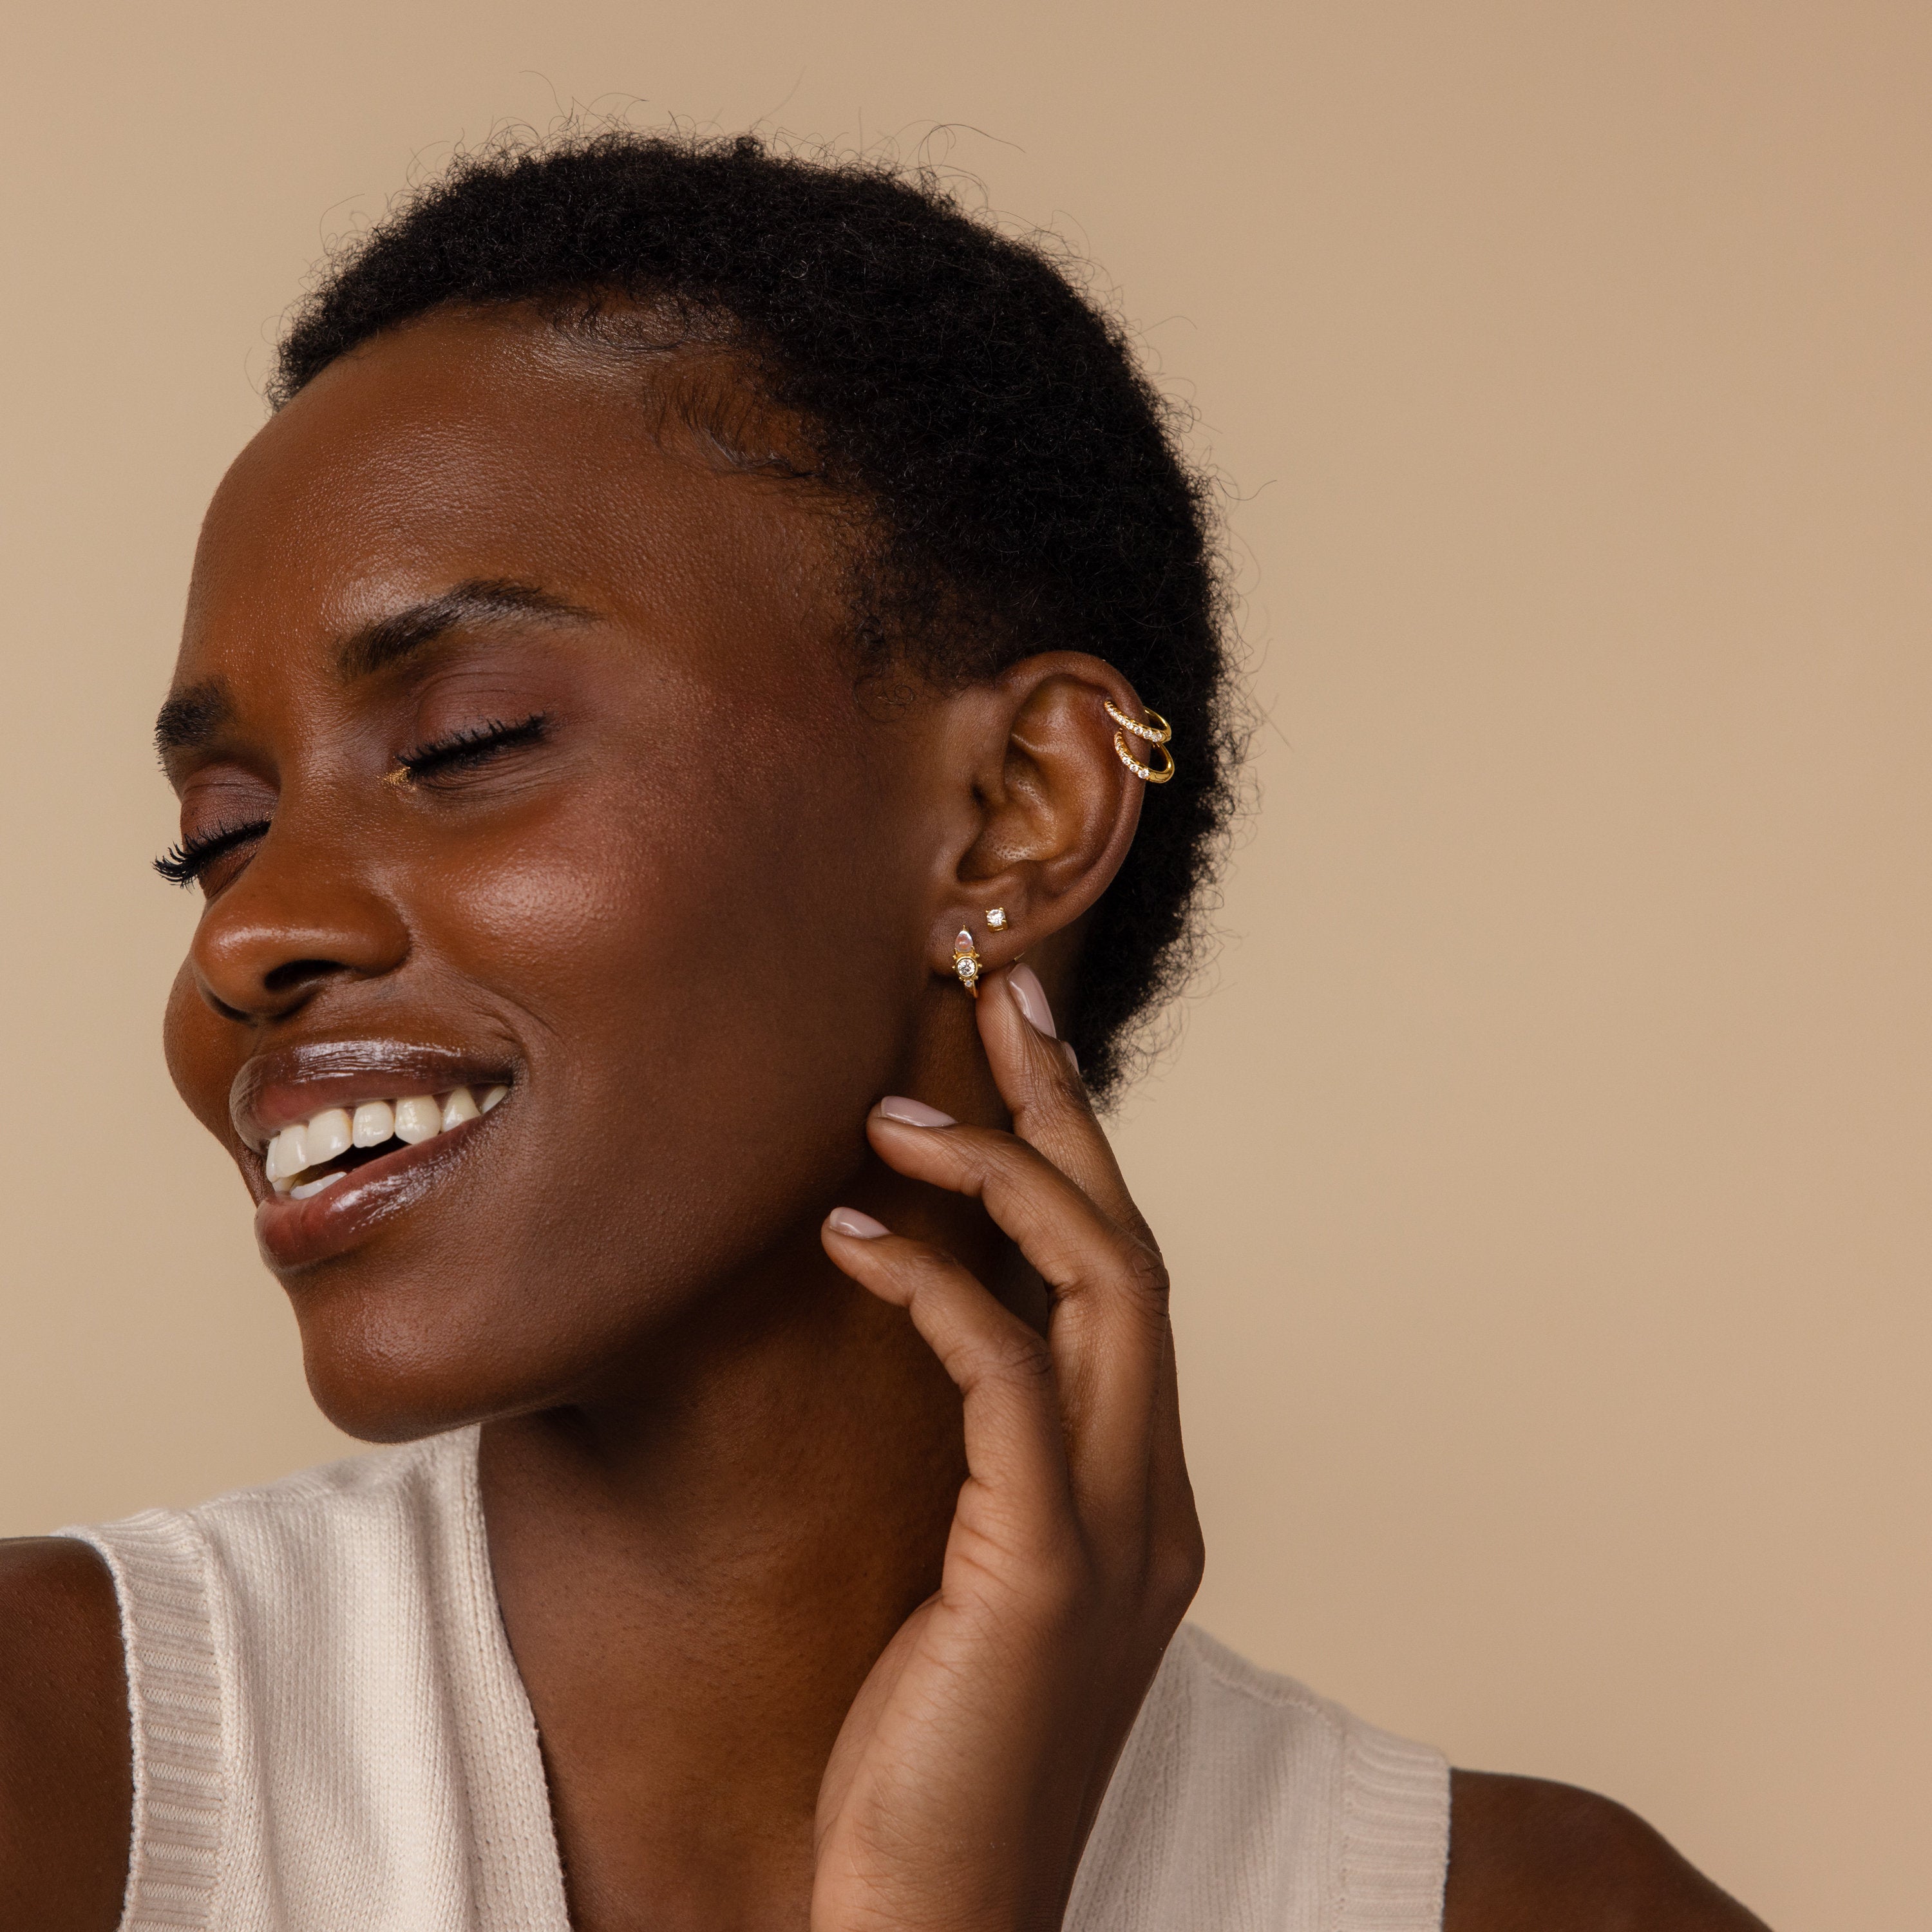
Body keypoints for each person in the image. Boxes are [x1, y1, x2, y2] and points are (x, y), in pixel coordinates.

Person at [0, 132, 1768, 1931]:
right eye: (219, 836)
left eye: (468, 744)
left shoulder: (1551, 1910)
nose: (250, 932)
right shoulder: (53, 1770)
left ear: (1015, 808)